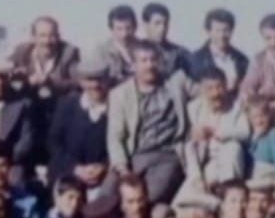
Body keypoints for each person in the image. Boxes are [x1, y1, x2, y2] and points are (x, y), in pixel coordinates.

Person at [107, 40, 189, 205]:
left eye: (153, 60)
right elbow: (115, 137)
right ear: (133, 65)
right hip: (134, 155)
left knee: (147, 199)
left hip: (166, 154)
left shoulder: (175, 83)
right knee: (107, 197)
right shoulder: (120, 94)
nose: (150, 65)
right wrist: (123, 169)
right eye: (144, 61)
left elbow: (206, 92)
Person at [48, 60, 113, 196]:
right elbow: (54, 143)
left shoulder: (116, 108)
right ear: (81, 82)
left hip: (103, 178)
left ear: (107, 80)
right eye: (90, 80)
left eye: (100, 79)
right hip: (68, 174)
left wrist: (103, 166)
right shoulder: (67, 105)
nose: (95, 85)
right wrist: (75, 168)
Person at [183, 67, 250, 191]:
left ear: (226, 87)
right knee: (190, 146)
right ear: (202, 90)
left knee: (233, 146)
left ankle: (229, 188)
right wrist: (196, 133)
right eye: (210, 88)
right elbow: (193, 140)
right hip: (207, 160)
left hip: (230, 159)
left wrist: (216, 132)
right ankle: (197, 181)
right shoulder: (194, 108)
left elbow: (245, 132)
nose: (215, 93)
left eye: (219, 87)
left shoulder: (236, 106)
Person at [9, 15, 81, 99]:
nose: (47, 41)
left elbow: (78, 82)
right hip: (27, 99)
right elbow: (6, 76)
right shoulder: (21, 51)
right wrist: (26, 80)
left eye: (52, 36)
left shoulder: (69, 52)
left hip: (58, 100)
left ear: (58, 37)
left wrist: (50, 81)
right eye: (42, 35)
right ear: (33, 37)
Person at [190, 8, 249, 94]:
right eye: (217, 30)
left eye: (226, 30)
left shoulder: (242, 60)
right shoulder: (195, 60)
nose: (222, 35)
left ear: (232, 31)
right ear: (208, 32)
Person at [141, 2, 194, 78]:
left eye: (165, 23)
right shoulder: (136, 52)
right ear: (145, 25)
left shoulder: (180, 54)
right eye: (157, 23)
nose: (162, 28)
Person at [246, 96, 275, 179]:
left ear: (269, 116)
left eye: (262, 116)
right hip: (253, 178)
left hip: (270, 177)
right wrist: (255, 140)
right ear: (249, 119)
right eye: (254, 117)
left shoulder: (274, 136)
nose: (259, 121)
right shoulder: (249, 138)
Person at [97, 5, 138, 84]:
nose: (124, 34)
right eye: (119, 29)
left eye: (128, 28)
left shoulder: (144, 48)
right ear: (111, 29)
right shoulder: (101, 51)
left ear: (135, 27)